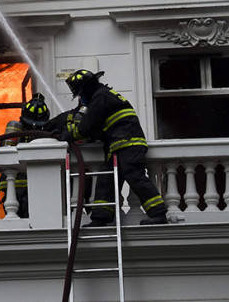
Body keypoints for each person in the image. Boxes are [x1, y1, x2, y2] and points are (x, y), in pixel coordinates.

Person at [51, 69, 168, 226]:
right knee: (106, 179)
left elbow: (87, 127)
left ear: (86, 88)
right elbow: (99, 127)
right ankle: (101, 217)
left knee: (134, 175)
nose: (80, 98)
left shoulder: (101, 97)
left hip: (128, 143)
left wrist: (67, 135)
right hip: (118, 145)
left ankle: (158, 213)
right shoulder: (104, 95)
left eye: (80, 93)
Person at [0, 93, 50, 218]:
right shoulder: (17, 128)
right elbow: (7, 152)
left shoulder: (42, 132)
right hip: (23, 182)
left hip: (14, 182)